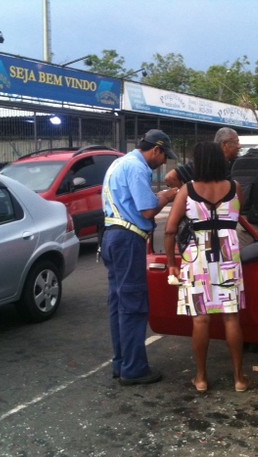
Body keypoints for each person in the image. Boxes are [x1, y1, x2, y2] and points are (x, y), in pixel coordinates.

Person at [164, 141, 250, 393]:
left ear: (198, 163)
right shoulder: (235, 188)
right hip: (228, 255)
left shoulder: (187, 190)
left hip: (197, 258)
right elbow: (235, 215)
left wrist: (171, 263)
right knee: (231, 317)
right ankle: (239, 379)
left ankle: (201, 378)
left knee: (201, 319)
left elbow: (169, 230)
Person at [101, 129, 179, 386]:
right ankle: (133, 369)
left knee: (119, 303)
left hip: (113, 236)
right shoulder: (137, 167)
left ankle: (121, 362)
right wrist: (169, 195)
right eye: (164, 155)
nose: (164, 162)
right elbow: (146, 210)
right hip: (127, 239)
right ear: (155, 150)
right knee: (133, 305)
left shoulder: (119, 162)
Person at [164, 127, 241, 188]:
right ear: (225, 145)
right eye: (236, 142)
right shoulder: (204, 162)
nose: (239, 146)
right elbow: (170, 177)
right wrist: (186, 195)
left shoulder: (237, 163)